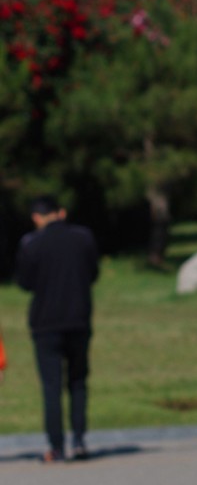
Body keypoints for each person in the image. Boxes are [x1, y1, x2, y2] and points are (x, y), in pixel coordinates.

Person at [15, 195, 99, 464]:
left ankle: (56, 446)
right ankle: (79, 441)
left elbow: (24, 282)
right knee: (77, 382)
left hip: (46, 323)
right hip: (79, 318)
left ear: (37, 217)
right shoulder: (83, 238)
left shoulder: (31, 243)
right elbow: (93, 273)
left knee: (51, 386)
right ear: (61, 213)